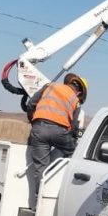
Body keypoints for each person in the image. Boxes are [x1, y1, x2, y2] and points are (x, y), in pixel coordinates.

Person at [26, 72, 88, 201]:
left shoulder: (49, 86)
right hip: (59, 132)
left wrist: (34, 122)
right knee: (74, 151)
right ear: (79, 92)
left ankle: (39, 200)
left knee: (41, 168)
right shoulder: (76, 101)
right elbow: (72, 127)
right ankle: (53, 169)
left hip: (39, 129)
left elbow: (31, 104)